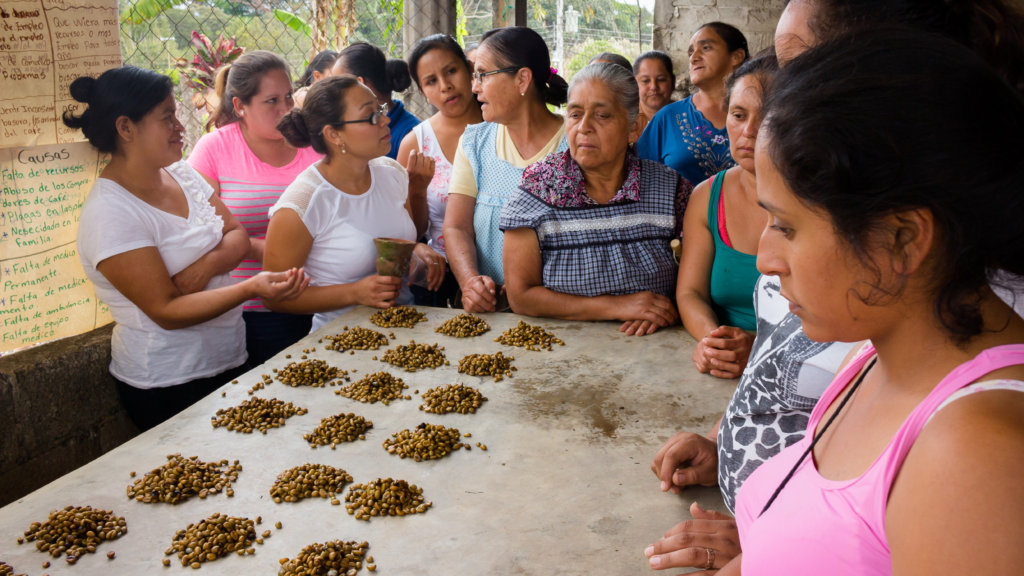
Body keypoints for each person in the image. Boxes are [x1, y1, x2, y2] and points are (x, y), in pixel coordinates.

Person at [646, 0, 1024, 572]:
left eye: (787, 226)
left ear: (901, 239)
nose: (766, 260)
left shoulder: (974, 458)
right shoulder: (878, 353)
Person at [64, 66, 308, 431]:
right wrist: (251, 287)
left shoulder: (180, 173)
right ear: (126, 128)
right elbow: (166, 310)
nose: (180, 127)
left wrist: (205, 268)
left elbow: (237, 236)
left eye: (176, 115)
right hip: (167, 381)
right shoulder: (111, 212)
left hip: (229, 357)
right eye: (167, 118)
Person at [500, 63, 689, 336]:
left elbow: (697, 284)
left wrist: (663, 310)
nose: (584, 127)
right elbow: (521, 296)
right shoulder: (538, 190)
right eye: (575, 114)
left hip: (654, 351)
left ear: (634, 128)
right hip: (558, 351)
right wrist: (618, 306)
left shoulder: (670, 190)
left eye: (602, 115)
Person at [262, 76, 447, 332]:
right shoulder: (302, 203)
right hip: (342, 344)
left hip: (406, 331)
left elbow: (402, 233)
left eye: (380, 109)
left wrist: (414, 249)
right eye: (371, 116)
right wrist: (354, 293)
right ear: (334, 134)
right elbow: (273, 296)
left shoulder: (391, 173)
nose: (386, 120)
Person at [188, 50, 321, 367]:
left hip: (319, 298)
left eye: (289, 97)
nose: (286, 109)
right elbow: (201, 232)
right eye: (271, 101)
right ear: (240, 106)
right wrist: (278, 252)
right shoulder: (215, 148)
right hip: (249, 309)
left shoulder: (313, 143)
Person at [443, 26, 569, 313]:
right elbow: (456, 226)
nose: (474, 87)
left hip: (565, 313)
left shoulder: (574, 144)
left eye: (482, 75)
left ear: (522, 79)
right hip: (492, 313)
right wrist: (470, 283)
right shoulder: (475, 143)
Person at [676, 54, 776, 379]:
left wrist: (760, 348)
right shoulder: (707, 197)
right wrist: (713, 340)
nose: (748, 130)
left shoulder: (824, 202)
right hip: (725, 371)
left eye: (766, 117)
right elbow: (690, 293)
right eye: (738, 114)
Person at [397, 34, 483, 308]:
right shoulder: (417, 144)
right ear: (423, 91)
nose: (445, 86)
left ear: (470, 69)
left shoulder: (503, 126)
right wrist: (417, 190)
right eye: (431, 81)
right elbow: (411, 230)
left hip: (510, 272)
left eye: (451, 71)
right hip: (443, 277)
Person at [637, 23, 748, 187]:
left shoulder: (761, 115)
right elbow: (640, 178)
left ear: (736, 56)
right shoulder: (667, 118)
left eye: (706, 48)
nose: (694, 57)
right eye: (691, 52)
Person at [332, 42, 420, 159]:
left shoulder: (411, 135)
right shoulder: (352, 127)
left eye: (338, 84)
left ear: (359, 84)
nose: (333, 91)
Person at [632, 50, 675, 134]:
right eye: (645, 80)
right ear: (634, 84)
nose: (654, 87)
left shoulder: (686, 117)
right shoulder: (626, 122)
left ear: (673, 81)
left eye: (661, 79)